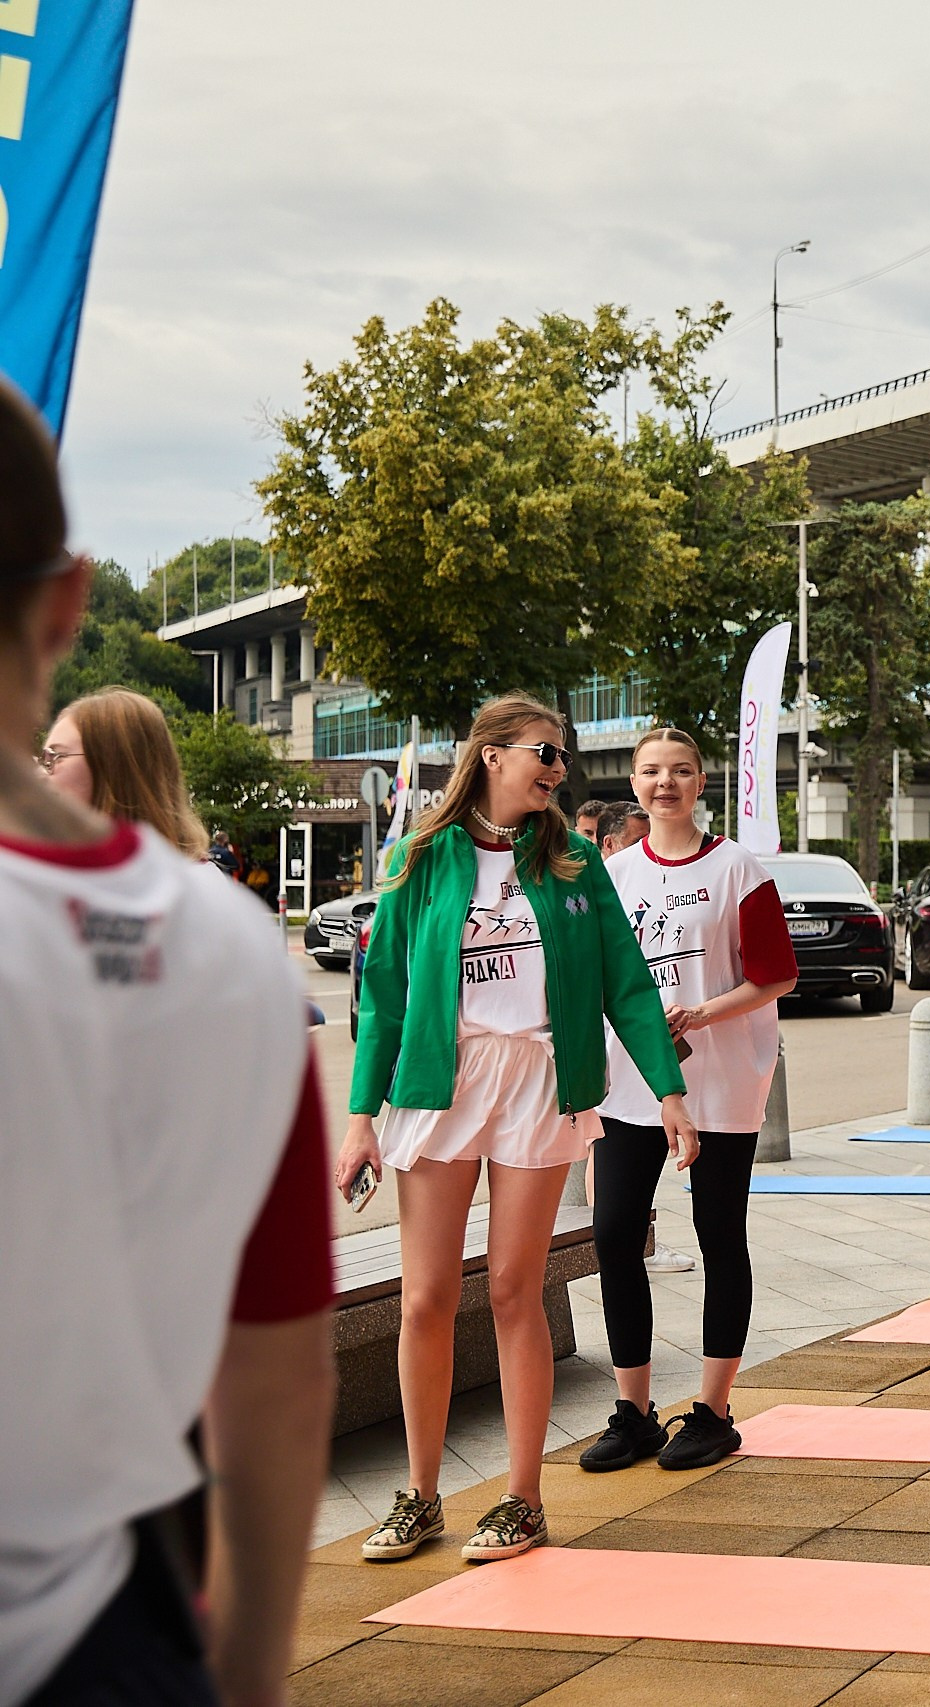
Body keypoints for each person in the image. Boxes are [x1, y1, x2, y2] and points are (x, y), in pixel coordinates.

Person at [0, 385, 334, 1707]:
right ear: (73, 599)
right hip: (105, 1629)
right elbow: (277, 1366)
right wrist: (243, 1675)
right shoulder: (233, 950)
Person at [340, 693, 698, 1565]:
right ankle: (422, 1494)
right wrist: (359, 1119)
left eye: (564, 756)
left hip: (540, 1080)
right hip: (440, 1079)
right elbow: (382, 994)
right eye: (545, 751)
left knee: (512, 1289)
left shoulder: (573, 861)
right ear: (492, 754)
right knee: (423, 1296)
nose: (559, 767)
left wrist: (670, 1092)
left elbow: (628, 983)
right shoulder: (425, 857)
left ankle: (522, 1498)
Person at [578, 728, 797, 1476]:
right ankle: (634, 1412)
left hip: (721, 1080)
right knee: (613, 1236)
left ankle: (714, 1410)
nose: (663, 782)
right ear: (633, 784)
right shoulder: (613, 872)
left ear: (702, 781)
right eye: (649, 771)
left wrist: (702, 1012)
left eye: (679, 770)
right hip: (631, 1080)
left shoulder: (739, 868)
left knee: (717, 1235)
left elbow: (776, 976)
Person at [40, 686, 211, 858]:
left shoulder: (191, 881)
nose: (42, 774)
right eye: (44, 758)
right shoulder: (52, 872)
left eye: (56, 756)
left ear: (111, 767)